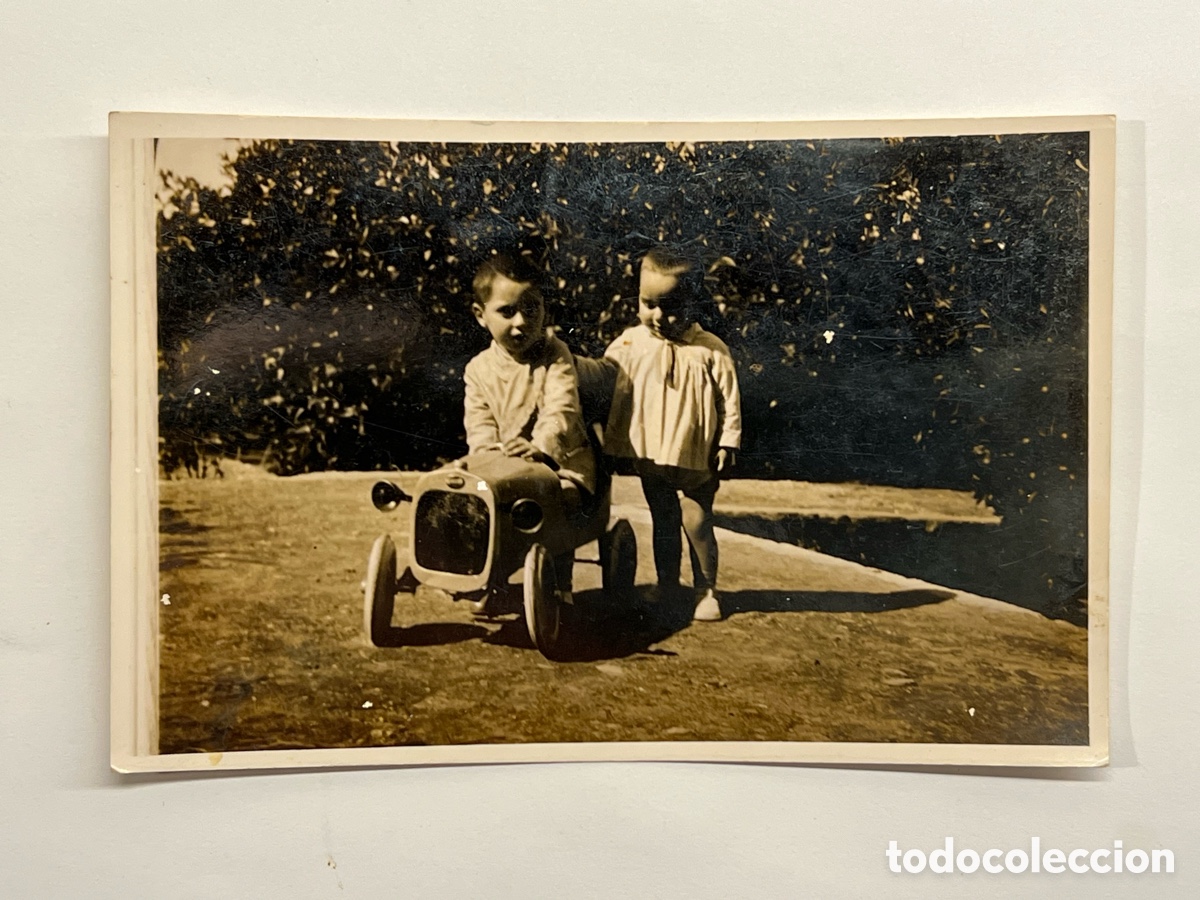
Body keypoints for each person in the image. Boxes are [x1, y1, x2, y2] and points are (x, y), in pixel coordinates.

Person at [604, 246, 742, 622]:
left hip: (696, 453)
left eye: (672, 306)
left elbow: (729, 400)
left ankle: (705, 588)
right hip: (652, 452)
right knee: (663, 519)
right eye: (648, 304)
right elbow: (602, 378)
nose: (659, 316)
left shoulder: (710, 351)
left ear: (695, 302)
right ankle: (667, 584)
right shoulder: (631, 344)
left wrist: (729, 441)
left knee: (696, 520)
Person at [463, 253, 596, 600]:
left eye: (531, 308)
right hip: (501, 468)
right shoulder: (478, 370)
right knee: (474, 499)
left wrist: (541, 446)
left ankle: (561, 584)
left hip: (559, 462)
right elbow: (479, 424)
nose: (521, 322)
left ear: (544, 309)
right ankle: (485, 576)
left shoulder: (554, 355)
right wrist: (487, 458)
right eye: (507, 312)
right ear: (481, 316)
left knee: (561, 498)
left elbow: (561, 408)